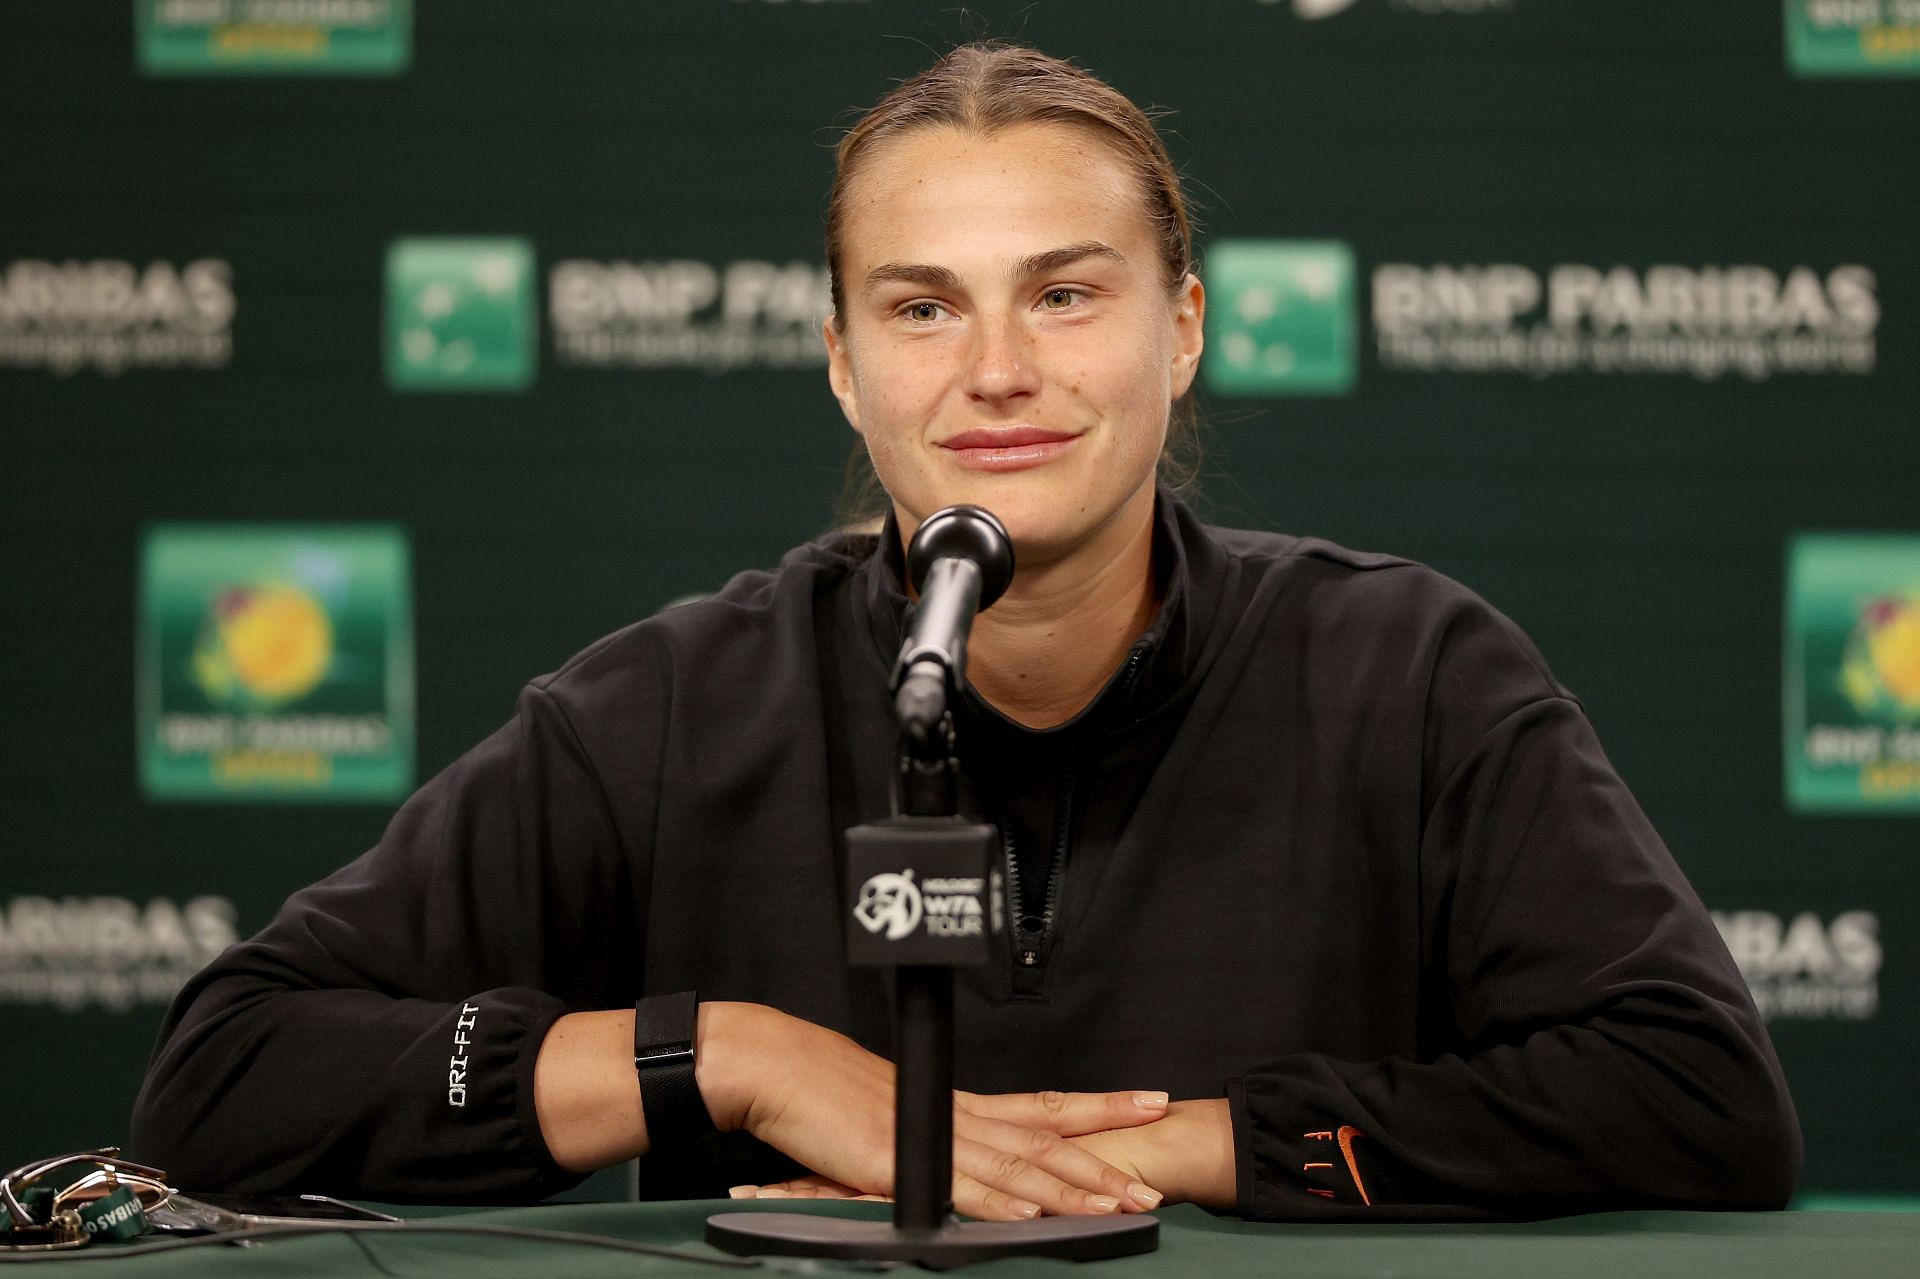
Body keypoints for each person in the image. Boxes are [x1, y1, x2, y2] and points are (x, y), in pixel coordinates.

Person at [129, 42, 1801, 1222]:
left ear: (1185, 330)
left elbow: (1695, 1098)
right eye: (922, 306)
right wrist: (731, 1059)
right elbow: (225, 1081)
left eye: (1065, 294)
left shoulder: (1411, 673)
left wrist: (1177, 1149)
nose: (995, 370)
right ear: (848, 364)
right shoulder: (673, 707)